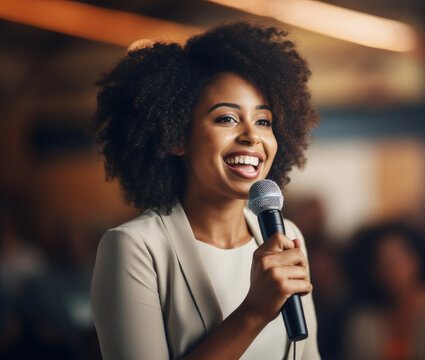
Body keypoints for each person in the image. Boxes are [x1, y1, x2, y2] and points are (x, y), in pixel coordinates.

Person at [90, 22, 321, 360]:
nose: (251, 136)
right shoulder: (135, 248)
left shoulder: (287, 237)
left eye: (264, 121)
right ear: (177, 137)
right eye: (227, 119)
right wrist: (253, 313)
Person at [344, 223, 425, 360]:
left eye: (396, 260)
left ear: (416, 260)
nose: (391, 270)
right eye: (382, 264)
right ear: (373, 271)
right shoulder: (362, 321)